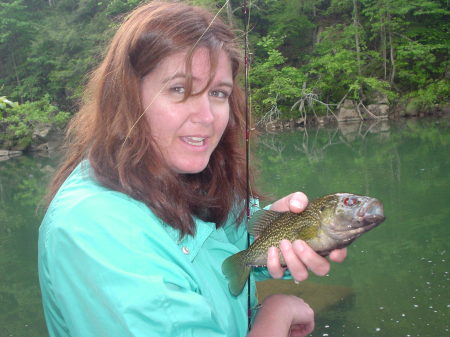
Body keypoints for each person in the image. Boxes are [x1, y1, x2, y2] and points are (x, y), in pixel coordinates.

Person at [38, 1, 347, 337]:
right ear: (127, 97)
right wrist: (275, 315)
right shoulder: (94, 229)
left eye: (218, 93)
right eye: (179, 89)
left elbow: (228, 260)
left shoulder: (189, 176)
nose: (206, 116)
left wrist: (281, 234)